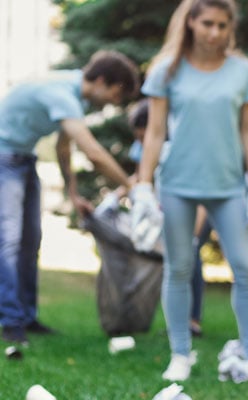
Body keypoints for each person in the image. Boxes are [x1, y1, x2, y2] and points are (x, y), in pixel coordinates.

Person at [134, 0, 248, 382]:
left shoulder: (241, 70)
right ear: (190, 24)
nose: (214, 32)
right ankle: (180, 354)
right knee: (179, 268)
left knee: (246, 269)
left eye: (222, 25)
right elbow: (154, 131)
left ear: (230, 27)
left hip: (228, 186)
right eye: (207, 24)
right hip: (178, 184)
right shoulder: (166, 70)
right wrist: (144, 184)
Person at [0, 50, 139, 345]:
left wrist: (72, 193)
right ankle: (10, 321)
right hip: (4, 158)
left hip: (23, 159)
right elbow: (93, 153)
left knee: (30, 241)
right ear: (101, 80)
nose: (115, 102)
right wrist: (133, 186)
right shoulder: (62, 94)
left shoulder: (73, 98)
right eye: (116, 93)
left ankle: (26, 316)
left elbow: (64, 148)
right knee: (9, 241)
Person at [127, 99, 206, 338]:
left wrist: (195, 232)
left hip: (196, 208)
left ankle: (192, 319)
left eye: (144, 137)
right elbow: (141, 174)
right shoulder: (143, 147)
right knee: (174, 262)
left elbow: (200, 192)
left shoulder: (183, 146)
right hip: (165, 209)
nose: (142, 144)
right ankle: (176, 320)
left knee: (192, 258)